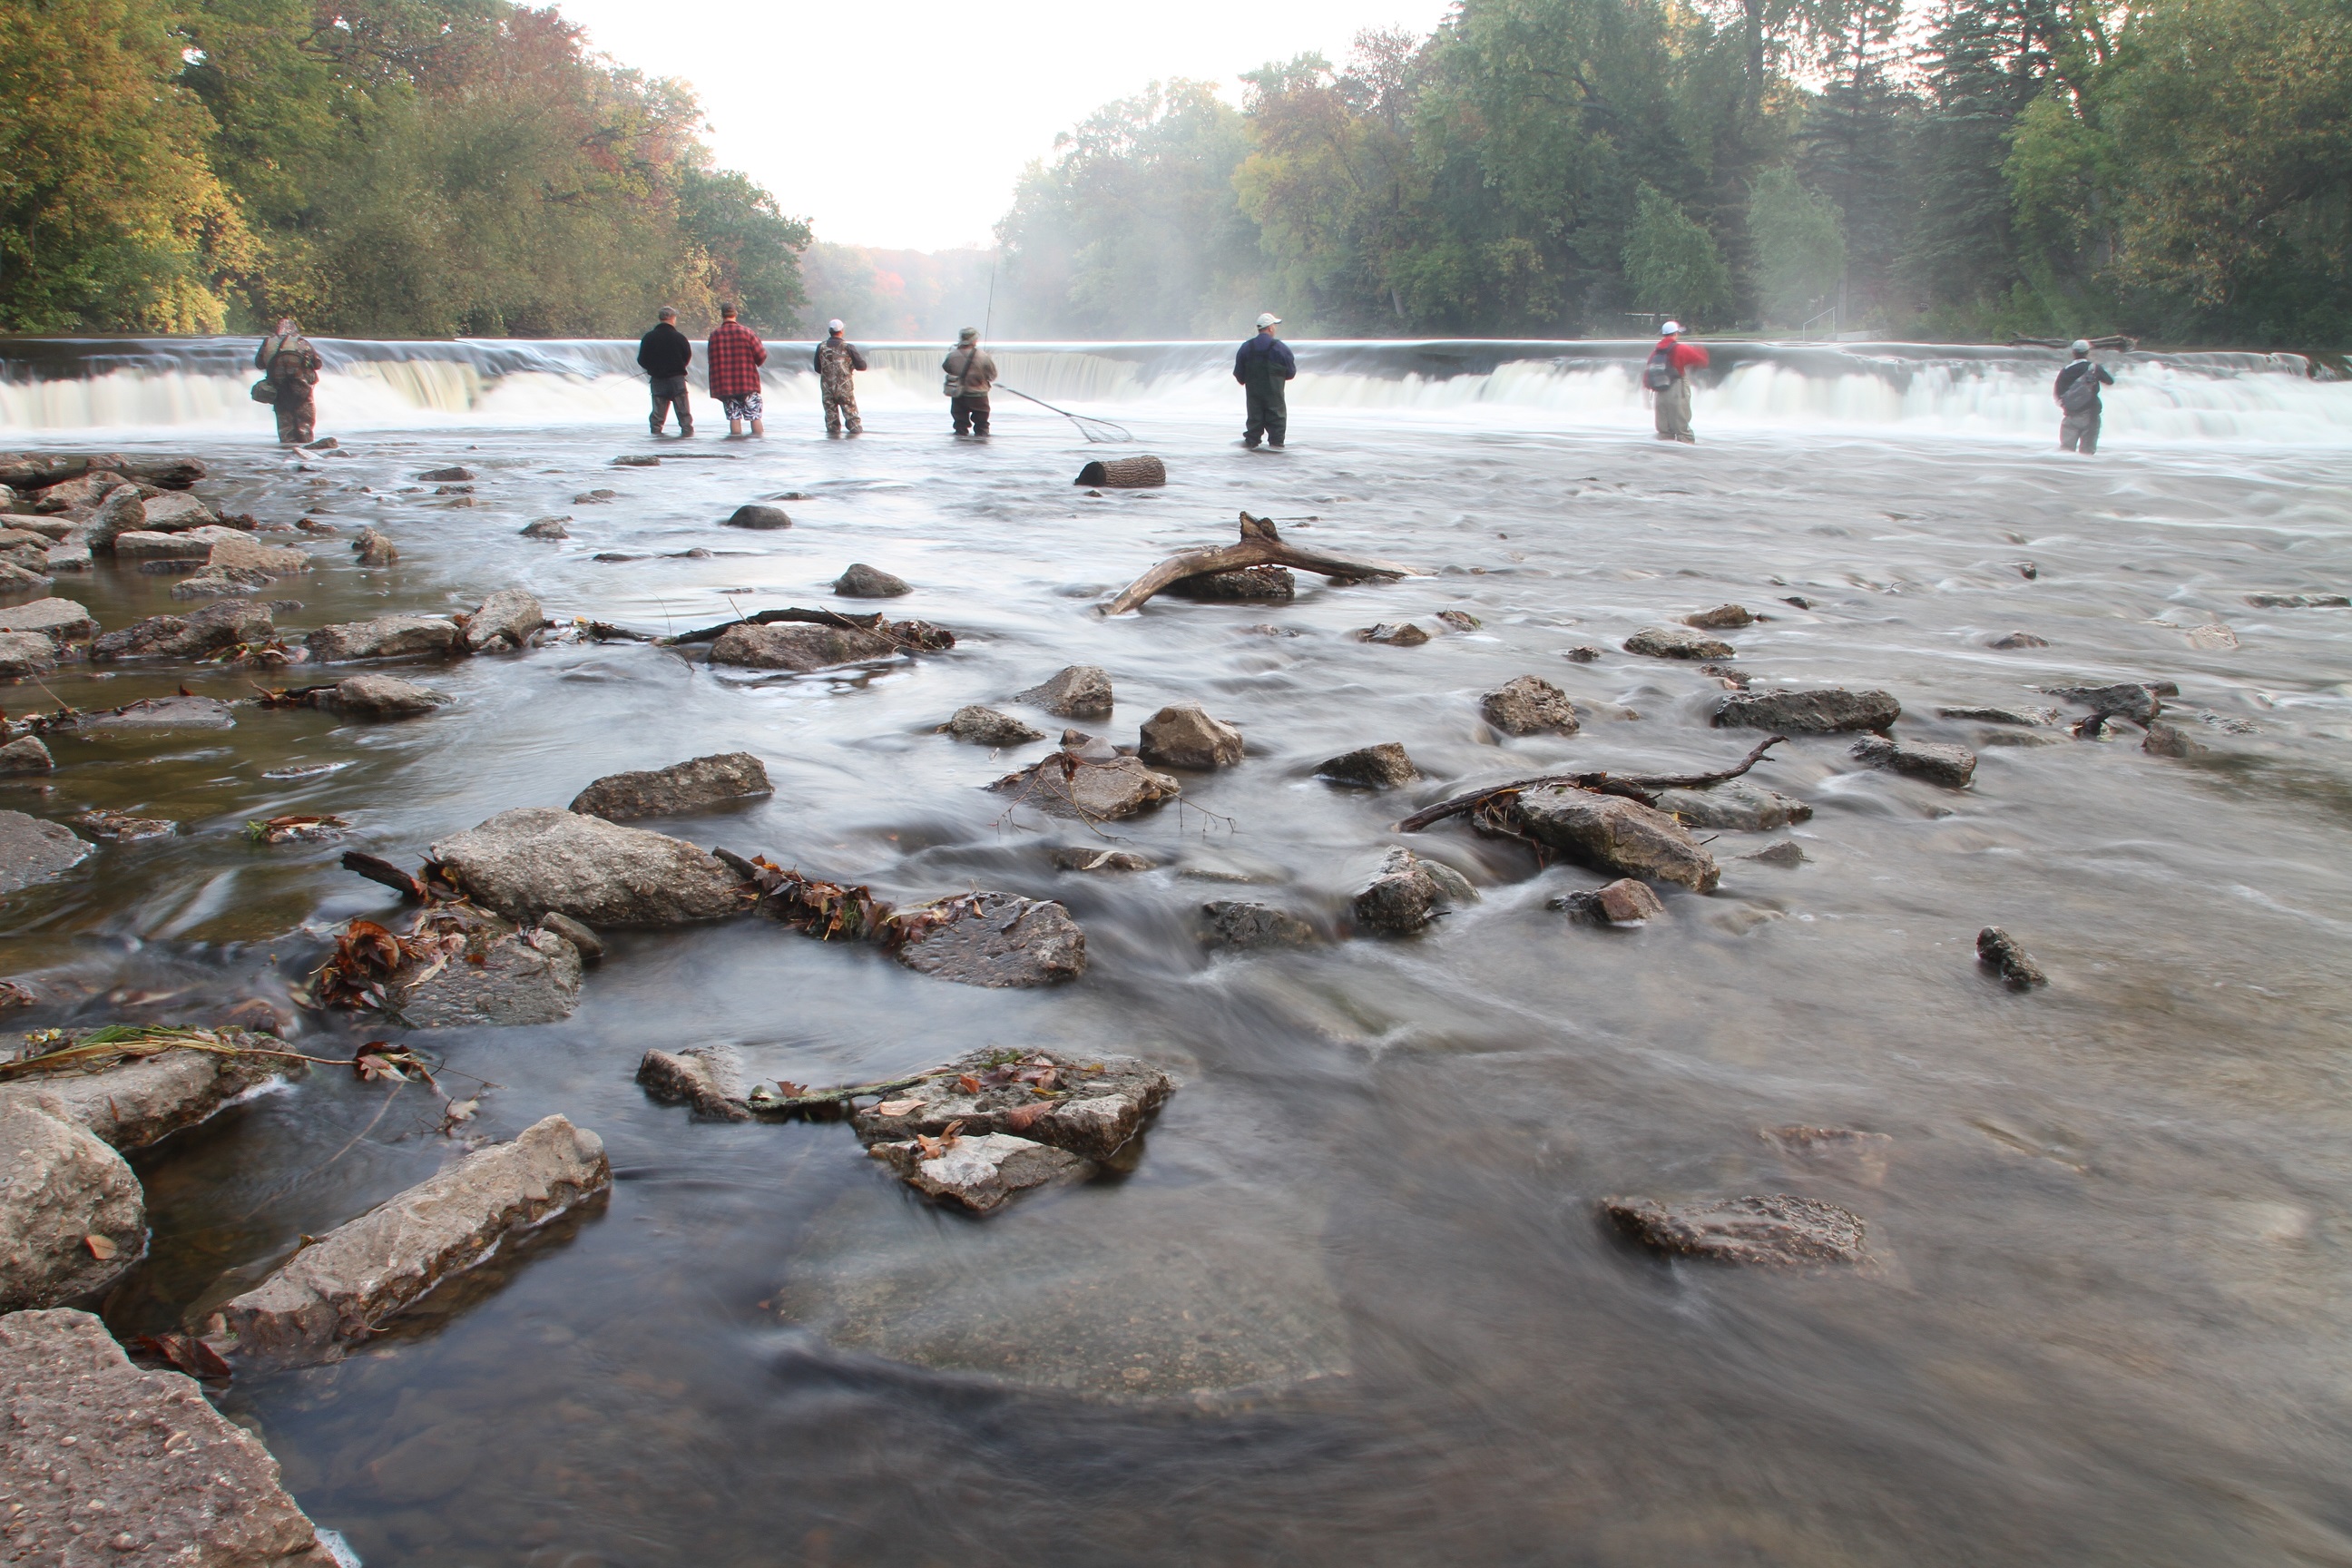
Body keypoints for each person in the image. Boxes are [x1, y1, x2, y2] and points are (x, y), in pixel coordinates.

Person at [254, 318, 322, 446]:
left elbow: (259, 364)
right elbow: (317, 363)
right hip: (301, 388)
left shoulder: (268, 342)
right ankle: (306, 454)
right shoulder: (302, 343)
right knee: (304, 424)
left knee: (285, 427)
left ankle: (286, 455)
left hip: (278, 388)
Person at [1234, 312, 1297, 448]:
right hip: (1275, 399)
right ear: (1270, 328)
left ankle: (1251, 457)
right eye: (1274, 325)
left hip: (1254, 399)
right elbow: (1291, 373)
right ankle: (1275, 457)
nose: (1275, 328)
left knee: (1252, 437)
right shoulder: (1281, 349)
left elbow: (1239, 376)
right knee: (1277, 438)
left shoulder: (1246, 348)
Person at [707, 302, 768, 437]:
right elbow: (761, 355)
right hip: (747, 382)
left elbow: (711, 359)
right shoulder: (747, 333)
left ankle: (735, 448)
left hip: (726, 384)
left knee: (734, 417)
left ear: (722, 315)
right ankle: (759, 444)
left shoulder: (714, 335)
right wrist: (753, 364)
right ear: (736, 314)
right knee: (755, 416)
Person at [1643, 320, 1709, 443]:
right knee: (1682, 430)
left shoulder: (1655, 352)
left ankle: (1664, 455)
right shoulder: (1680, 349)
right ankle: (1685, 454)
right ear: (1676, 334)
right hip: (1676, 390)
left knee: (1664, 432)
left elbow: (1647, 377)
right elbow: (1702, 361)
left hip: (1659, 392)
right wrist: (1700, 348)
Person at [637, 307, 693, 436]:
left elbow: (642, 360)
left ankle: (656, 441)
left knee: (657, 417)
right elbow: (687, 356)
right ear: (673, 319)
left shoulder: (649, 338)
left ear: (660, 318)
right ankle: (687, 440)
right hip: (677, 379)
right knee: (684, 416)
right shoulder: (680, 338)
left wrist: (652, 369)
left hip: (657, 380)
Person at [2053, 339, 2115, 454]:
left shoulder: (2065, 371)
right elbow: (2110, 381)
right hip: (2090, 415)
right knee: (2087, 453)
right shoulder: (2095, 368)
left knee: (2066, 452)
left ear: (2073, 352)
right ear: (2087, 352)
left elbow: (2057, 394)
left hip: (2070, 415)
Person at [814, 318, 867, 436]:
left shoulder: (821, 347)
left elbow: (817, 368)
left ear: (830, 331)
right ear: (841, 331)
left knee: (831, 424)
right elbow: (862, 366)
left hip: (827, 389)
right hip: (844, 389)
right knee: (853, 422)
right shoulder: (848, 347)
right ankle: (853, 445)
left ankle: (832, 448)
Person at [942, 327, 998, 436]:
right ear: (975, 340)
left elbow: (947, 368)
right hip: (979, 396)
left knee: (960, 427)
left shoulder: (952, 355)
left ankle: (959, 449)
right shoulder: (983, 356)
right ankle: (980, 449)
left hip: (958, 395)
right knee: (982, 427)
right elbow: (992, 375)